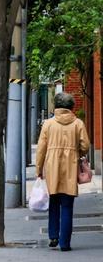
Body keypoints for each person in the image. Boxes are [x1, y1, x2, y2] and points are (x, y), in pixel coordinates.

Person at [36, 92, 90, 252]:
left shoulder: (48, 124)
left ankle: (53, 236)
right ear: (71, 106)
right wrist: (77, 153)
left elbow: (41, 149)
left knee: (54, 202)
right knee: (67, 205)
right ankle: (65, 243)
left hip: (52, 166)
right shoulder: (78, 123)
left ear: (57, 105)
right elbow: (85, 145)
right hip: (70, 165)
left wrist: (39, 169)